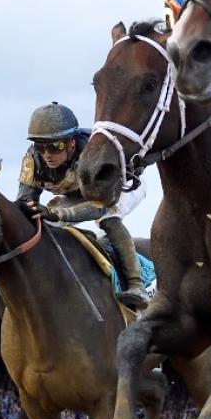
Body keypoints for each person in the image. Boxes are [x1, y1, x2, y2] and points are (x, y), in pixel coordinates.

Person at [15, 101, 149, 310]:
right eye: (41, 146)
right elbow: (25, 202)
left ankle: (136, 284)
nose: (47, 154)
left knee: (108, 219)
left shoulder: (91, 153)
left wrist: (58, 214)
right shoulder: (33, 159)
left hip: (117, 189)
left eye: (55, 146)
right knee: (48, 220)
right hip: (76, 193)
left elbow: (99, 206)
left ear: (71, 143)